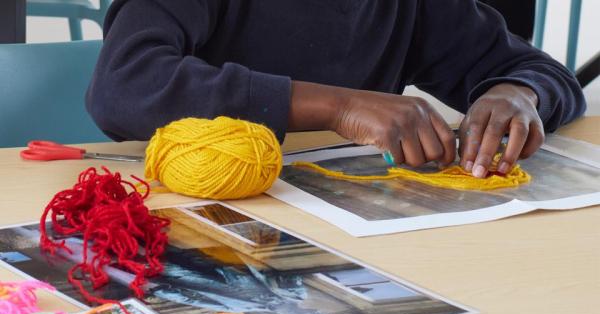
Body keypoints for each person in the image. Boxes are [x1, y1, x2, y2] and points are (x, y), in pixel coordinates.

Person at [87, 0, 586, 179]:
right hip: (194, 209)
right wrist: (340, 108)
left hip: (349, 237)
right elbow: (124, 85)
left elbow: (537, 71)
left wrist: (519, 92)